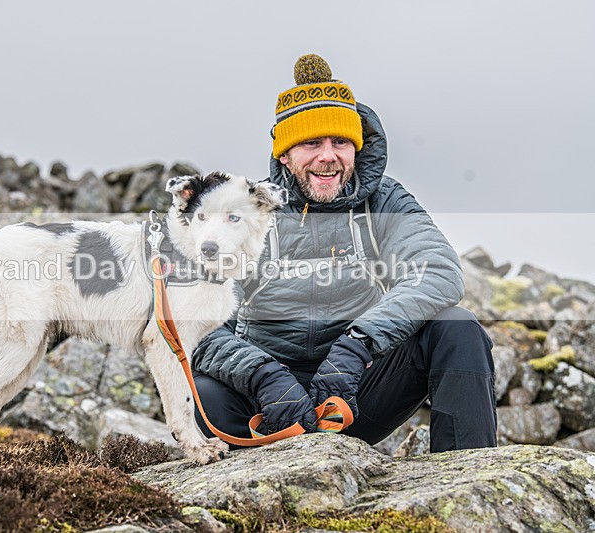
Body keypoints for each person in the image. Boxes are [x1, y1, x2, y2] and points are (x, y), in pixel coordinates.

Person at [191, 54, 497, 453]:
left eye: (340, 142)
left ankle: (467, 473)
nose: (327, 156)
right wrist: (264, 376)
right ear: (284, 154)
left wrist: (357, 346)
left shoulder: (385, 201)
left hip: (355, 393)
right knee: (203, 392)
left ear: (355, 148)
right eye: (311, 143)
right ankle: (247, 492)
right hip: (268, 407)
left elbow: (438, 272)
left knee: (457, 328)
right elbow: (195, 320)